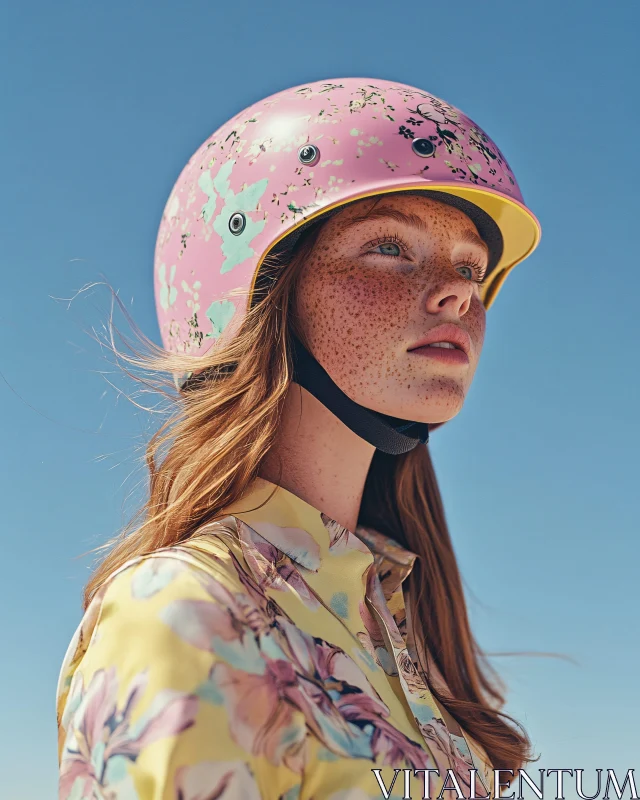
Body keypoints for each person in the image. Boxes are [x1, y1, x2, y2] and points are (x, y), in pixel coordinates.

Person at [56, 78, 541, 800]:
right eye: (388, 246)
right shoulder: (184, 611)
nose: (459, 293)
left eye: (472, 267)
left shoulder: (403, 633)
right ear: (258, 296)